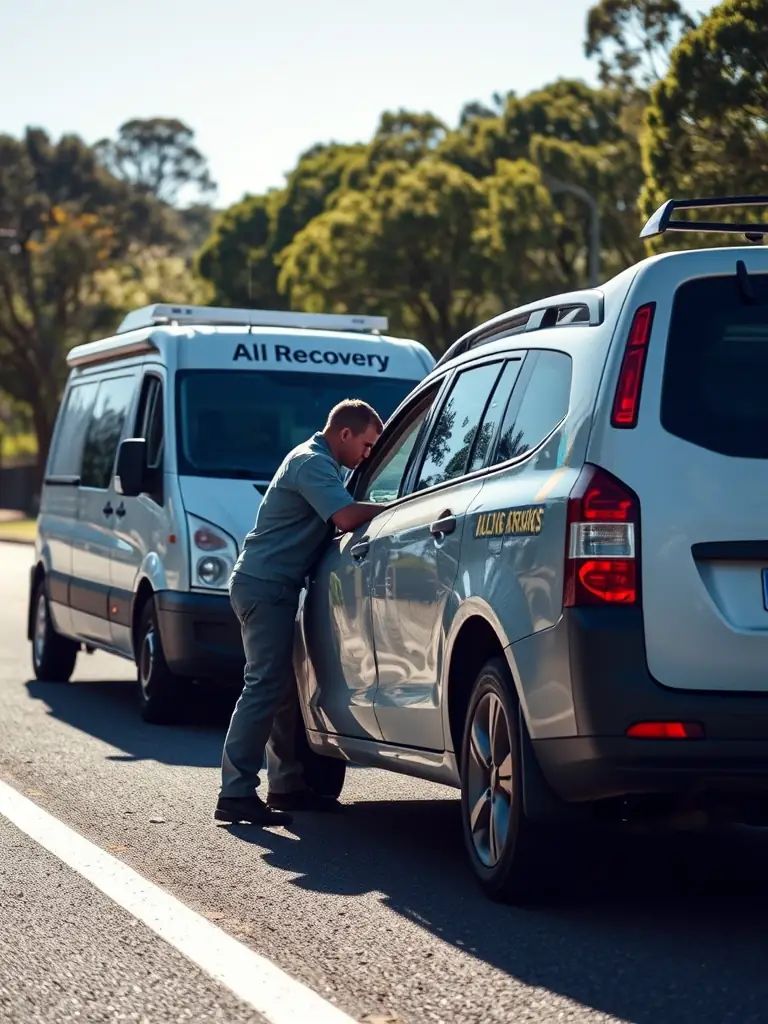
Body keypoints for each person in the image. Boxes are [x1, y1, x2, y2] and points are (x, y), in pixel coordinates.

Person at [214, 399, 388, 827]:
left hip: (275, 586)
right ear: (344, 434)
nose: (367, 455)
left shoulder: (323, 464)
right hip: (266, 585)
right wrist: (395, 510)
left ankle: (286, 786)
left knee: (284, 690)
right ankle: (234, 792)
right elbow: (346, 517)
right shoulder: (312, 463)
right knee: (264, 686)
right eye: (366, 445)